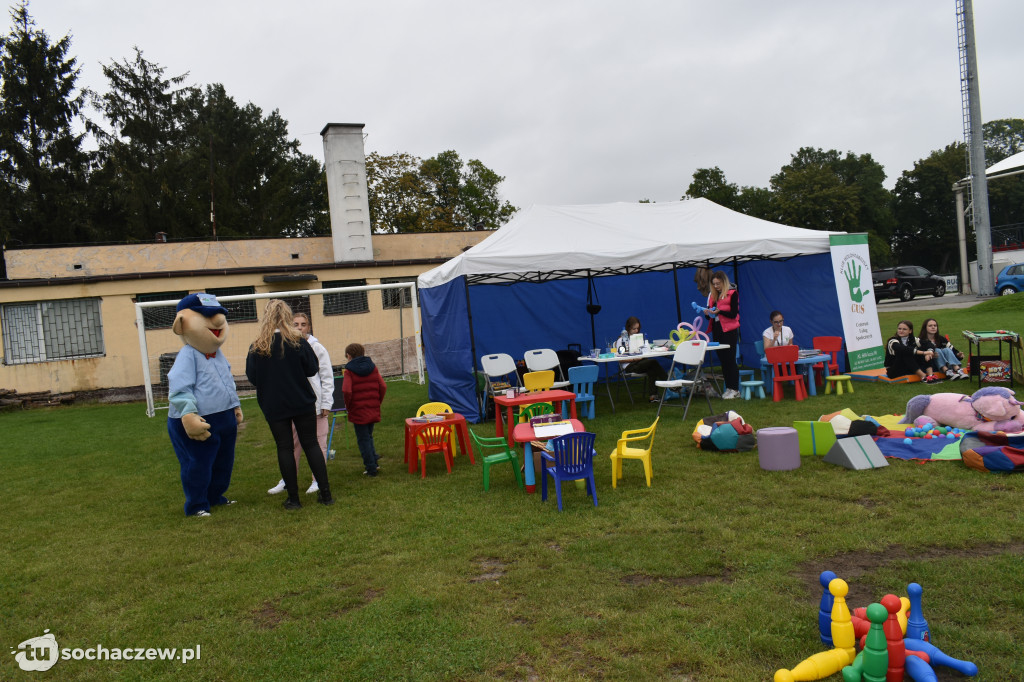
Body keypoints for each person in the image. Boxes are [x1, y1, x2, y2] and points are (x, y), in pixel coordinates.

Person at [246, 299, 333, 509]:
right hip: (301, 401)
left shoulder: (258, 345)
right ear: (287, 317)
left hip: (274, 405)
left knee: (284, 447)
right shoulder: (298, 342)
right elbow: (311, 368)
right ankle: (326, 494)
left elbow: (253, 377)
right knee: (311, 443)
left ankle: (293, 499)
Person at [268, 312, 335, 495]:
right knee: (291, 444)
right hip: (294, 405)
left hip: (315, 405)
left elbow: (327, 377)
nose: (299, 327)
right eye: (295, 324)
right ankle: (288, 480)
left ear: (309, 327)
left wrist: (326, 403)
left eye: (303, 324)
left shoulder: (317, 347)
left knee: (318, 443)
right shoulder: (285, 346)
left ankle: (317, 481)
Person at [342, 342, 387, 477]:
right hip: (372, 407)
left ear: (348, 356)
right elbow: (383, 386)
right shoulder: (373, 367)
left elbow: (346, 391)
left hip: (358, 409)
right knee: (368, 436)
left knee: (363, 439)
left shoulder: (349, 371)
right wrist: (377, 401)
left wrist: (348, 406)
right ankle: (374, 461)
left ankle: (371, 468)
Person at [705, 270, 741, 399]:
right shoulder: (712, 296)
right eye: (714, 284)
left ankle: (735, 389)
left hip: (730, 330)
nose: (716, 286)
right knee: (723, 361)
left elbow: (733, 314)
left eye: (718, 283)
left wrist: (720, 312)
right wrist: (707, 314)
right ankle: (729, 388)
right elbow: (710, 318)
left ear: (724, 282)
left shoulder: (732, 294)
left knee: (731, 360)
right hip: (717, 330)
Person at [620, 316, 667, 402]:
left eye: (638, 328)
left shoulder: (638, 338)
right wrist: (635, 359)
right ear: (628, 327)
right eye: (634, 329)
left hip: (639, 362)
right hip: (629, 365)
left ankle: (653, 397)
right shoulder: (621, 340)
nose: (636, 331)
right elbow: (620, 359)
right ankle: (669, 383)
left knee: (652, 368)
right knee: (653, 362)